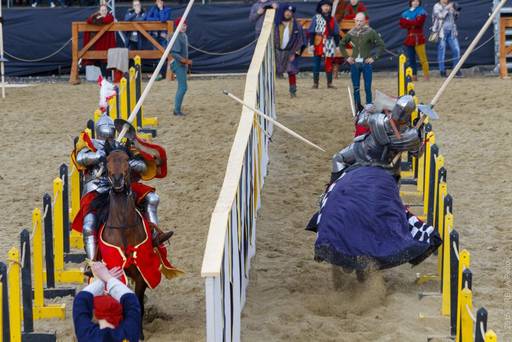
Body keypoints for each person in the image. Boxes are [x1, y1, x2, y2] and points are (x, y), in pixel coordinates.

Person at [308, 95, 441, 279]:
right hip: (385, 167)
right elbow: (416, 153)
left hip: (361, 154)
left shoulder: (380, 120)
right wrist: (419, 133)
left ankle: (328, 192)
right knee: (392, 193)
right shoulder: (407, 135)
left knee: (338, 159)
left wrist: (370, 109)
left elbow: (361, 119)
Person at [70, 115, 173, 262]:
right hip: (97, 188)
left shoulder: (121, 146)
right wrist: (98, 156)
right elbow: (80, 159)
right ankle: (93, 264)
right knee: (89, 225)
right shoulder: (90, 144)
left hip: (123, 185)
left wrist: (128, 163)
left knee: (152, 198)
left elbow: (143, 167)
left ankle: (155, 236)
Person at [73, 262, 141, 341]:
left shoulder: (87, 336)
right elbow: (132, 301)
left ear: (94, 315)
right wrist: (108, 278)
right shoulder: (129, 333)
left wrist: (102, 280)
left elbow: (80, 300)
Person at [339, 12, 384, 110]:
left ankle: (368, 106)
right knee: (356, 87)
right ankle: (357, 106)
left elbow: (381, 45)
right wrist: (347, 57)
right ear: (354, 21)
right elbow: (341, 44)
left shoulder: (370, 32)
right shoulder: (351, 32)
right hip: (355, 64)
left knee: (367, 87)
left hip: (366, 63)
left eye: (361, 21)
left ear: (365, 21)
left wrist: (374, 58)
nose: (359, 23)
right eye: (357, 20)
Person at [274, 4, 305, 97]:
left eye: (290, 12)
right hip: (276, 51)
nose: (288, 13)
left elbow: (300, 40)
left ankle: (293, 91)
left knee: (291, 71)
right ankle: (270, 91)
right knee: (271, 71)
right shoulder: (275, 24)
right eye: (286, 11)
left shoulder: (296, 25)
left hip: (290, 52)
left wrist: (294, 53)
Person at [308, 0, 340, 89]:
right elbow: (311, 32)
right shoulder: (316, 18)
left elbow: (336, 33)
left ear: (330, 8)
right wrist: (311, 44)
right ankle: (315, 83)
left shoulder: (333, 19)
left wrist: (337, 45)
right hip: (318, 41)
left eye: (328, 6)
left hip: (329, 41)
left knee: (329, 62)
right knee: (316, 63)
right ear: (321, 7)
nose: (326, 7)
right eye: (324, 6)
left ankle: (329, 83)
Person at [82, 4, 116, 77]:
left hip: (107, 43)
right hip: (98, 43)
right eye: (102, 10)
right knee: (100, 61)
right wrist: (98, 18)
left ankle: (107, 77)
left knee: (107, 61)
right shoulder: (95, 17)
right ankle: (104, 78)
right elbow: (89, 20)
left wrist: (100, 19)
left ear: (107, 11)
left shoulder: (110, 17)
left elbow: (108, 20)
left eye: (105, 10)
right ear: (99, 11)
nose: (103, 12)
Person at [400, 0, 429, 81]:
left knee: (423, 59)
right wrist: (413, 22)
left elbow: (418, 23)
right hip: (410, 38)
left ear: (419, 2)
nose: (415, 2)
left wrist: (408, 22)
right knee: (411, 58)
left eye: (417, 1)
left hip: (419, 38)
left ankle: (426, 76)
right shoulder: (405, 13)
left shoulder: (422, 12)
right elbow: (402, 24)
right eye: (414, 1)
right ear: (411, 2)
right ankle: (414, 76)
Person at [432, 0, 461, 77]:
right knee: (442, 51)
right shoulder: (436, 6)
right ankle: (442, 71)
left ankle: (456, 70)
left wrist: (456, 12)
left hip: (451, 31)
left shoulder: (451, 5)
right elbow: (440, 16)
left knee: (456, 50)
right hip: (441, 32)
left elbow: (454, 19)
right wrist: (447, 9)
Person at [170, 17, 192, 116]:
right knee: (183, 87)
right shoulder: (176, 36)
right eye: (182, 25)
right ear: (178, 26)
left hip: (183, 65)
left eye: (184, 25)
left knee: (182, 87)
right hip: (178, 64)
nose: (184, 26)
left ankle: (177, 109)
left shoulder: (184, 35)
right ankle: (177, 110)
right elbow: (174, 53)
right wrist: (184, 60)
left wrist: (185, 62)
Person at [147, 0, 172, 80]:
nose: (159, 2)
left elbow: (163, 19)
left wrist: (161, 9)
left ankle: (163, 74)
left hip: (163, 36)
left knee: (164, 55)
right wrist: (157, 19)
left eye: (160, 1)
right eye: (157, 1)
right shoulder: (153, 9)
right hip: (155, 36)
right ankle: (158, 74)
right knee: (156, 55)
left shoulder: (167, 9)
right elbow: (147, 18)